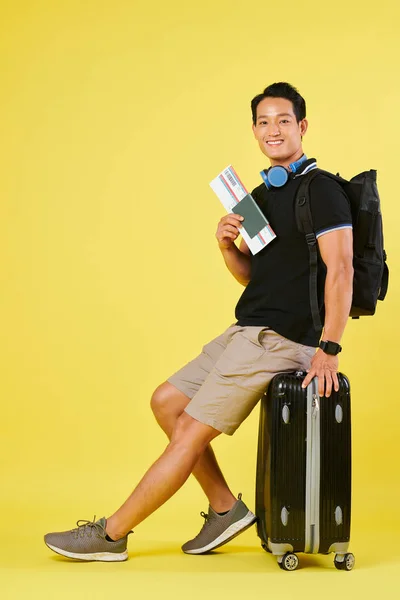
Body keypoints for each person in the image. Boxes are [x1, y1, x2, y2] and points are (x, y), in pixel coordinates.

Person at [44, 82, 354, 562]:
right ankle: (225, 508)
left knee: (189, 428)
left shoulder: (323, 191)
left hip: (281, 340)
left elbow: (343, 269)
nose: (273, 129)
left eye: (284, 120)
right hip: (247, 329)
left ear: (302, 127)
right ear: (255, 130)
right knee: (167, 402)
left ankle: (110, 535)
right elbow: (257, 279)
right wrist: (227, 246)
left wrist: (329, 348)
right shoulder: (260, 196)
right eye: (264, 122)